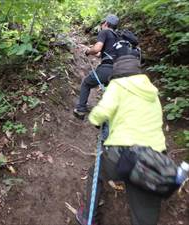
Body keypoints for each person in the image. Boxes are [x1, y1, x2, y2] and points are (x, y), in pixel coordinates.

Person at [76, 54, 166, 225]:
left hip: (124, 153)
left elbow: (99, 115)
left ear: (117, 73)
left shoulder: (117, 85)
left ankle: (88, 216)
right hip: (155, 157)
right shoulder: (152, 92)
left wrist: (96, 120)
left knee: (94, 173)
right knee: (144, 212)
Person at [73, 14, 120, 120]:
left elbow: (97, 48)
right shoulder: (118, 38)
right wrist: (91, 51)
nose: (101, 25)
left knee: (86, 83)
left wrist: (88, 51)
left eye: (102, 23)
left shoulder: (105, 32)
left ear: (106, 24)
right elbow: (101, 54)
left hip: (106, 69)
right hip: (118, 71)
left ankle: (80, 110)